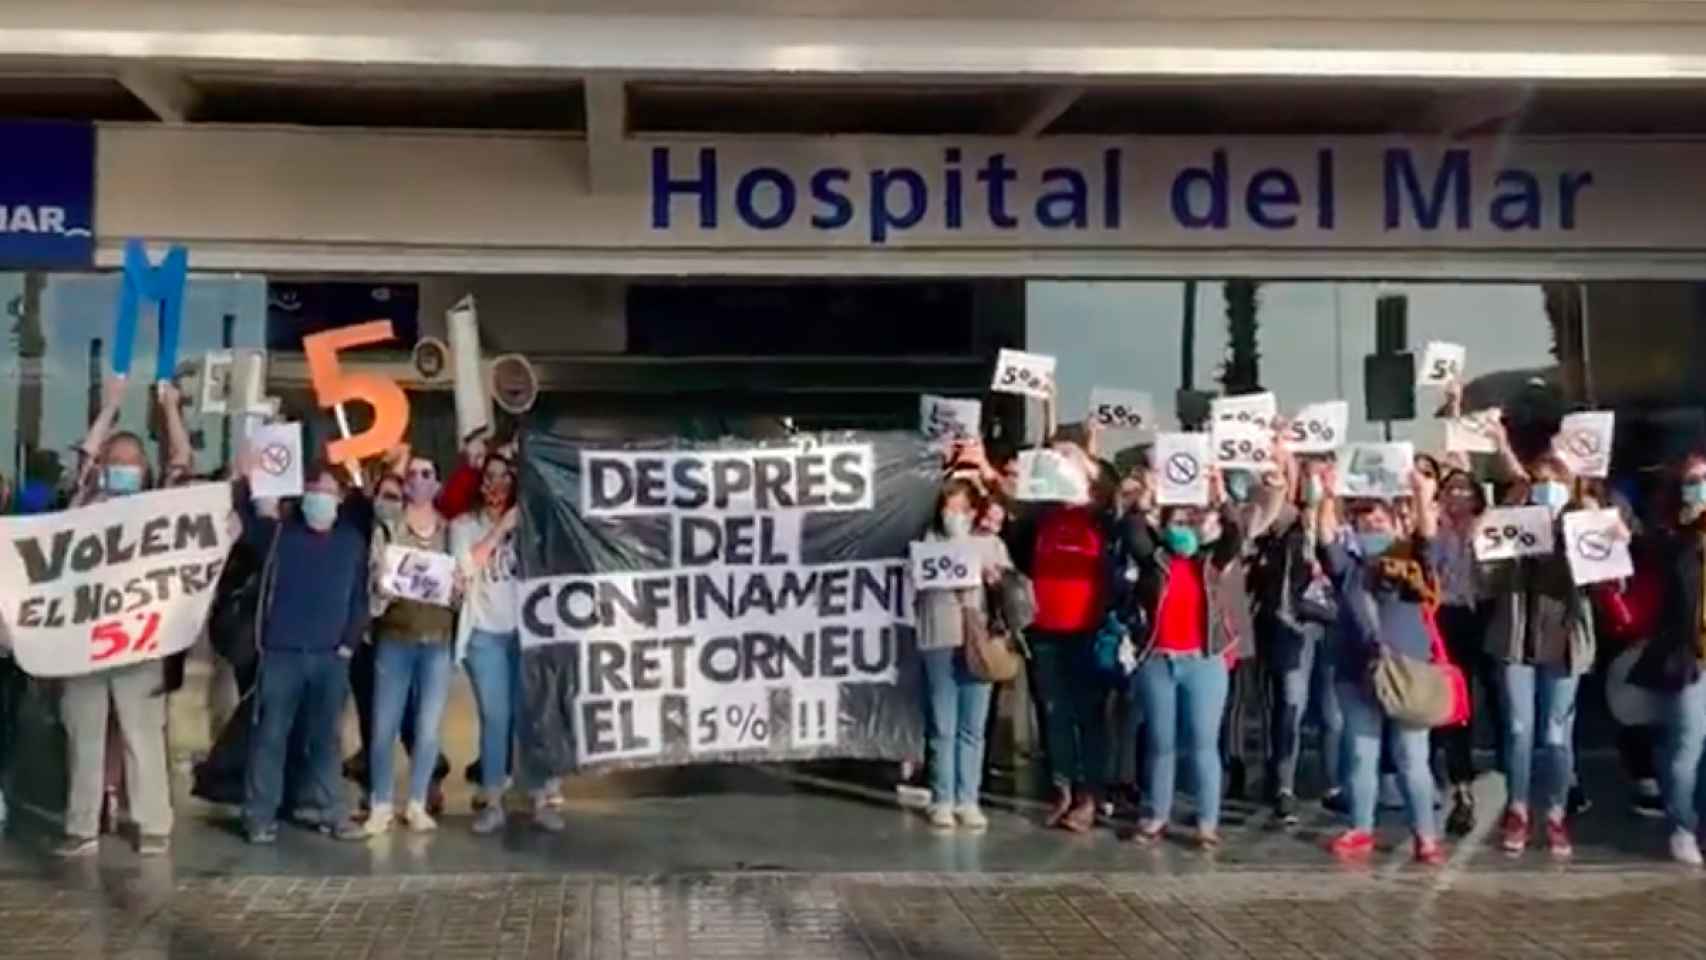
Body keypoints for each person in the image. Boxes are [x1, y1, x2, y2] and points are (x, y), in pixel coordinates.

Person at [53, 377, 192, 857]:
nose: (124, 470)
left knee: (142, 736)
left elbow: (183, 469)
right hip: (83, 642)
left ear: (143, 468)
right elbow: (79, 466)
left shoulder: (159, 509)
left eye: (132, 463)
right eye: (116, 464)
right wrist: (109, 408)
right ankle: (82, 826)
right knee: (84, 737)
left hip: (140, 641)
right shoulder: (79, 507)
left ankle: (153, 825)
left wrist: (170, 408)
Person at [1315, 467, 1448, 865]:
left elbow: (1427, 537)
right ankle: (1360, 829)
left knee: (1412, 757)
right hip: (1356, 670)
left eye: (1380, 516)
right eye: (1363, 516)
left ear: (1395, 521)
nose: (1372, 522)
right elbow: (1323, 539)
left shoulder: (1412, 558)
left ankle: (1425, 834)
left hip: (1408, 670)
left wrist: (1423, 495)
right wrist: (1326, 494)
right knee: (1361, 754)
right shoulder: (1348, 565)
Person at [237, 455, 370, 845]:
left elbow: (359, 598)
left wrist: (347, 644)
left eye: (327, 493)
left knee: (326, 740)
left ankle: (331, 811)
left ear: (340, 498)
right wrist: (246, 479)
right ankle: (259, 816)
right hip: (282, 654)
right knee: (270, 736)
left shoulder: (351, 541)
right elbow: (246, 521)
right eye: (313, 492)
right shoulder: (281, 536)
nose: (319, 499)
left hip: (331, 657)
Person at [1481, 443, 1599, 860]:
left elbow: (1608, 578)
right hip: (1517, 638)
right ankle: (1517, 807)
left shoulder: (1582, 521)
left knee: (1555, 734)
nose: (1548, 489)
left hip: (1565, 641)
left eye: (1556, 482)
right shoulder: (1516, 523)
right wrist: (1499, 522)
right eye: (1541, 481)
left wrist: (1599, 527)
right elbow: (1485, 575)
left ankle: (1554, 812)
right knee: (1518, 729)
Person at [453, 452, 566, 834]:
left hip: (525, 634)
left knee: (529, 716)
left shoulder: (531, 527)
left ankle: (538, 798)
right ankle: (492, 800)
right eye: (490, 476)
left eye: (504, 477)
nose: (496, 485)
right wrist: (501, 528)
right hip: (485, 635)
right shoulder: (465, 525)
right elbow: (465, 566)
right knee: (495, 716)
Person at [1023, 434, 1116, 832]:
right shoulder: (1041, 516)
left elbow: (1115, 500)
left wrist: (1088, 462)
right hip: (1045, 628)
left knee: (1088, 716)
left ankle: (1089, 795)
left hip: (1086, 628)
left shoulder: (1098, 517)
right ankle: (1061, 788)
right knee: (1054, 713)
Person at [361, 455, 458, 834]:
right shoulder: (388, 529)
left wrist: (458, 588)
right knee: (384, 724)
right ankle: (381, 803)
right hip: (395, 638)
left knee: (428, 728)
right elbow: (374, 579)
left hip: (437, 640)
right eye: (412, 474)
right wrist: (382, 582)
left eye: (427, 473)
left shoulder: (450, 532)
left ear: (436, 484)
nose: (418, 479)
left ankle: (417, 802)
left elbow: (460, 581)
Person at [914, 478, 1013, 830]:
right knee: (943, 724)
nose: (952, 515)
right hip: (939, 639)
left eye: (960, 509)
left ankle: (968, 798)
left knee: (972, 725)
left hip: (979, 641)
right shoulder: (928, 542)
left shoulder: (990, 545)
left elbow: (1009, 592)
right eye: (947, 508)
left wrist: (995, 579)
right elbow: (916, 583)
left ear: (973, 512)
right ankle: (942, 798)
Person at [1250, 455, 1340, 824]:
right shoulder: (1288, 516)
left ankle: (1335, 784)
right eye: (1311, 471)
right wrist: (1280, 467)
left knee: (1334, 712)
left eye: (1325, 470)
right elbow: (1267, 519)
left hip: (1335, 625)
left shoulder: (1344, 514)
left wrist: (1330, 505)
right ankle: (1283, 786)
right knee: (1291, 703)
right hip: (1293, 622)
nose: (1318, 478)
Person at [1630, 453, 1706, 865]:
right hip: (1691, 658)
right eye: (1694, 480)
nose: (1701, 486)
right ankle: (1683, 826)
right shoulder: (1672, 538)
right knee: (1686, 746)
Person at [1432, 468, 1495, 836]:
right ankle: (1461, 788)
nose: (1457, 496)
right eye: (1450, 489)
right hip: (1447, 615)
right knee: (1456, 704)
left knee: (1498, 699)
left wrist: (1477, 543)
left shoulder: (1487, 525)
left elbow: (1495, 577)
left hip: (1485, 613)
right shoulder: (1434, 528)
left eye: (1464, 489)